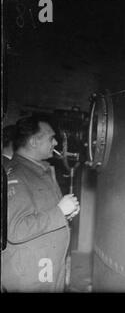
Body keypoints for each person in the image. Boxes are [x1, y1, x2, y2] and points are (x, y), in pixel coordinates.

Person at [1, 116, 80, 292]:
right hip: (28, 279)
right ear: (34, 141)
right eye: (51, 137)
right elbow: (15, 229)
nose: (56, 142)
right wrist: (60, 212)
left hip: (44, 272)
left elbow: (41, 213)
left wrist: (65, 213)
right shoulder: (17, 176)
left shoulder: (37, 171)